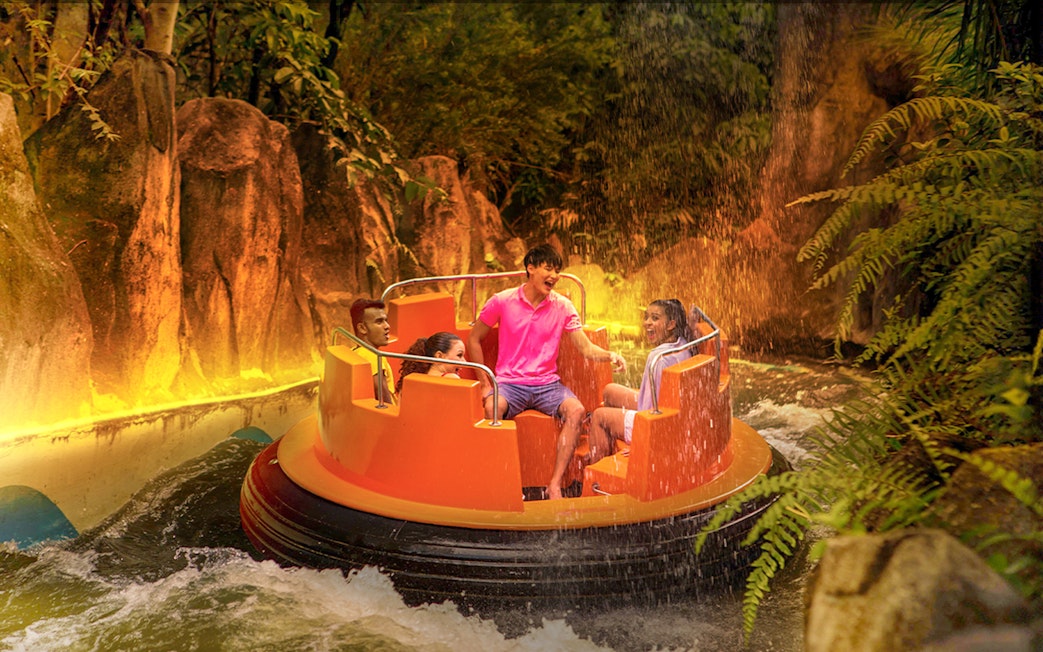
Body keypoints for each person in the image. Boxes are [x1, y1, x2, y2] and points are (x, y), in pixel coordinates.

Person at [467, 243, 626, 500]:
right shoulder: (502, 301)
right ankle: (504, 482)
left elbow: (585, 348)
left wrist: (611, 355)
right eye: (548, 268)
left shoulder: (563, 306)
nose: (554, 276)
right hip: (509, 382)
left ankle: (554, 484)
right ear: (530, 268)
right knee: (492, 407)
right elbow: (473, 339)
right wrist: (485, 383)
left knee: (576, 411)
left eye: (557, 271)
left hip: (547, 385)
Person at [587, 298, 694, 465]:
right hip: (665, 412)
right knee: (609, 390)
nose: (647, 323)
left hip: (654, 425)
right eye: (647, 317)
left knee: (599, 416)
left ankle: (596, 471)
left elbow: (653, 410)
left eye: (655, 318)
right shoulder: (683, 344)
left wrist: (643, 441)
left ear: (671, 324)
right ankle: (605, 441)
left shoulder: (658, 359)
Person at [349, 298, 397, 404]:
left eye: (386, 320)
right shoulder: (373, 356)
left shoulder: (355, 351)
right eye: (379, 322)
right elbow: (384, 399)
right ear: (362, 328)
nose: (387, 326)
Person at [395, 331, 466, 394]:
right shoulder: (452, 379)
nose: (464, 361)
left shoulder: (411, 379)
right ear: (439, 356)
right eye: (459, 355)